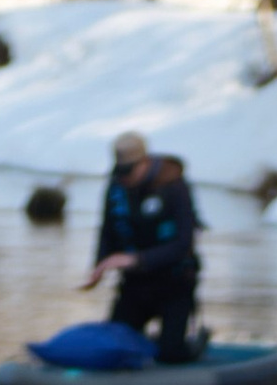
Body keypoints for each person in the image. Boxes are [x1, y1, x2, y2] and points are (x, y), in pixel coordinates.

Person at [86, 131, 201, 363]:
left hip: (174, 284)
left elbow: (183, 243)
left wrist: (136, 259)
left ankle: (188, 343)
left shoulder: (174, 186)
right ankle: (145, 344)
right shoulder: (116, 187)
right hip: (134, 286)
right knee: (114, 346)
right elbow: (107, 230)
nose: (124, 178)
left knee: (170, 354)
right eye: (120, 172)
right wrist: (99, 265)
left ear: (145, 162)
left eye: (129, 171)